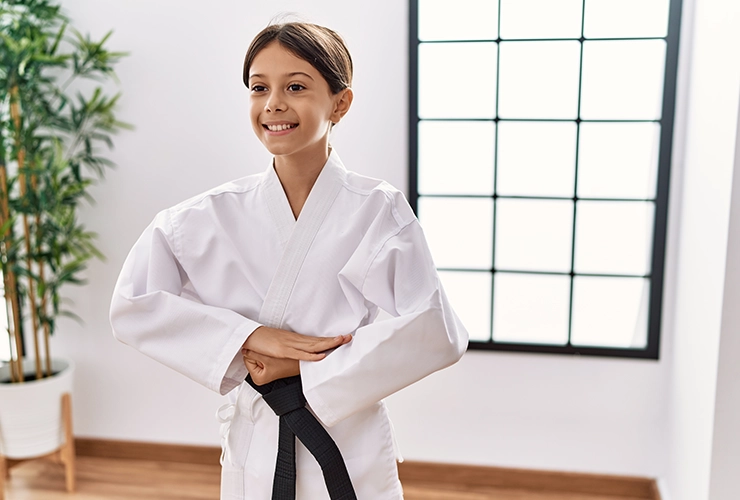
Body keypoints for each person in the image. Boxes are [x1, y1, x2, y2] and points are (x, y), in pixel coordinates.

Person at [109, 21, 468, 500]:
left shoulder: (377, 210)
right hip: (256, 436)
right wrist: (250, 338)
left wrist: (303, 371)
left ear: (340, 103)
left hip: (344, 433)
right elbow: (133, 304)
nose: (273, 103)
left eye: (295, 86)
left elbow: (436, 331)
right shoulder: (203, 217)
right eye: (260, 88)